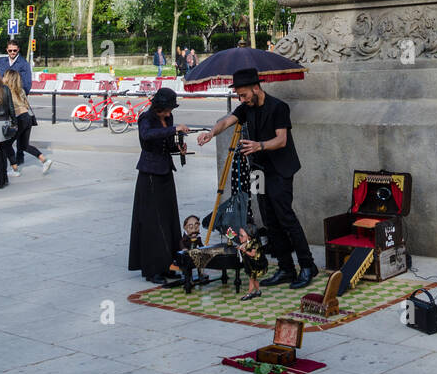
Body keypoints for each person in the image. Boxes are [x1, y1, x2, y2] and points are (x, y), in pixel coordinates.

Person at [197, 69, 317, 289]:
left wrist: (259, 145)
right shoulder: (246, 107)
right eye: (239, 96)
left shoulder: (279, 107)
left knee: (285, 217)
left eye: (243, 95)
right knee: (269, 220)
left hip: (280, 169)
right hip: (259, 170)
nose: (241, 99)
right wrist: (211, 133)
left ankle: (308, 265)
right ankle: (286, 268)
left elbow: (281, 140)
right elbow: (226, 121)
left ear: (255, 88)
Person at [128, 89, 190, 284]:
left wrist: (177, 147)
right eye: (168, 109)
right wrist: (173, 130)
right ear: (159, 107)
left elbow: (166, 144)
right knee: (154, 222)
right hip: (150, 174)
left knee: (169, 218)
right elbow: (147, 136)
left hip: (165, 171)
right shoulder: (146, 118)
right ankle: (153, 268)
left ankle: (168, 264)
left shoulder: (168, 119)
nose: (170, 113)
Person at [2, 64, 52, 176]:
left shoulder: (6, 91)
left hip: (19, 119)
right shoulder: (21, 90)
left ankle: (15, 170)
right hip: (27, 117)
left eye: (4, 76)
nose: (2, 77)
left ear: (8, 78)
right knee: (24, 145)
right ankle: (45, 160)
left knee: (7, 144)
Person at [237, 226, 266, 300]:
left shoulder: (255, 244)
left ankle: (249, 294)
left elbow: (252, 254)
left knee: (251, 279)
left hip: (255, 265)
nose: (239, 237)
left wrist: (244, 251)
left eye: (241, 235)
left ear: (249, 237)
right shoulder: (246, 243)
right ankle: (258, 291)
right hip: (250, 264)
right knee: (254, 279)